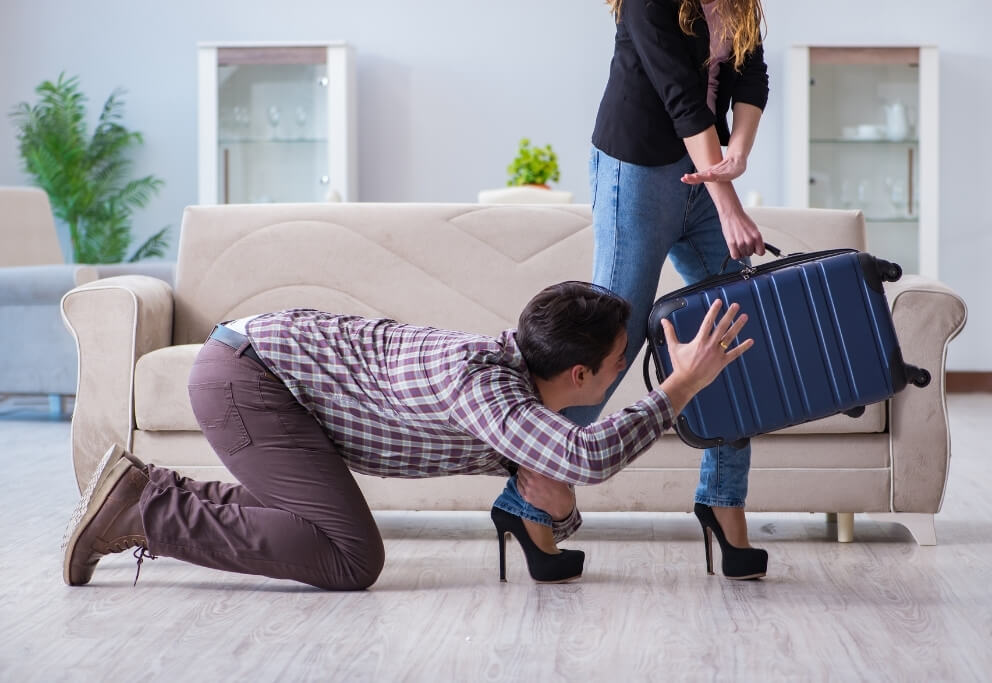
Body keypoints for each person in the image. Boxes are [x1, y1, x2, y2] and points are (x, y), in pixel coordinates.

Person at [62, 281, 753, 590]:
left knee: (326, 530)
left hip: (263, 375)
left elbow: (558, 477)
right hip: (249, 379)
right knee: (349, 556)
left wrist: (561, 513)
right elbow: (585, 455)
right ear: (578, 373)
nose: (620, 370)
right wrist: (678, 388)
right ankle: (141, 511)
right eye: (617, 361)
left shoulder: (512, 390)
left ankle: (142, 494)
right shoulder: (486, 387)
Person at [493, 0, 771, 579]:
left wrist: (737, 153)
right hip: (639, 171)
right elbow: (680, 94)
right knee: (610, 340)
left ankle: (724, 503)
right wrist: (729, 199)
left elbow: (750, 74)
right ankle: (527, 502)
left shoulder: (742, 1)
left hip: (705, 165)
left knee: (732, 326)